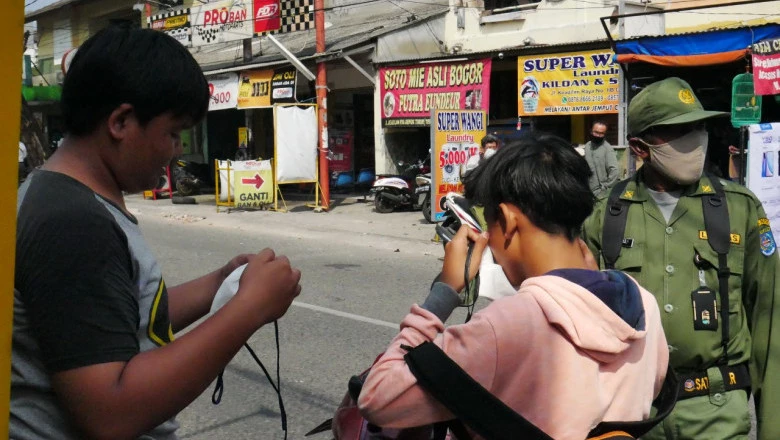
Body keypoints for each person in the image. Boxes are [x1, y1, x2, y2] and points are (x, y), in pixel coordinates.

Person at [12, 26, 302, 440]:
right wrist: (250, 309)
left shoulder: (65, 197)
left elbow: (117, 319)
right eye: (173, 132)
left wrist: (218, 284)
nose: (178, 149)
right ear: (121, 122)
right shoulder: (71, 222)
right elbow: (109, 414)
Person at [359, 133, 669, 439]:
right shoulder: (644, 304)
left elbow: (378, 399)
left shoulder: (506, 326)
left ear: (507, 221)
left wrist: (444, 291)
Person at [582, 77, 780, 440]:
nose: (696, 138)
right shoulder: (603, 216)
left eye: (698, 126)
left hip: (717, 414)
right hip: (632, 414)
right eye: (678, 130)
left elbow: (771, 326)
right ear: (640, 147)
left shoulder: (740, 210)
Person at [583, 121, 619, 194]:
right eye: (596, 132)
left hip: (600, 192)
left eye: (601, 133)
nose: (598, 135)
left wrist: (605, 187)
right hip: (587, 190)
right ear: (591, 131)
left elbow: (614, 171)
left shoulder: (607, 148)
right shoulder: (587, 146)